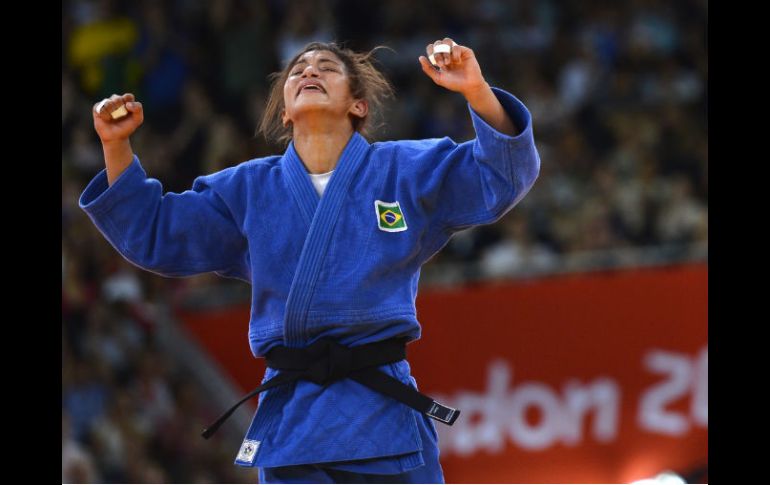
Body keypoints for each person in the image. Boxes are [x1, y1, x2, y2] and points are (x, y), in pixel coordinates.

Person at [80, 38, 541, 484]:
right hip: (295, 424)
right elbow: (158, 233)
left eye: (326, 67)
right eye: (297, 69)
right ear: (285, 110)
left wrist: (476, 91)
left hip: (383, 414)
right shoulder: (246, 191)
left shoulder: (406, 170)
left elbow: (500, 177)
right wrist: (117, 146)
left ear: (357, 105)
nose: (308, 71)